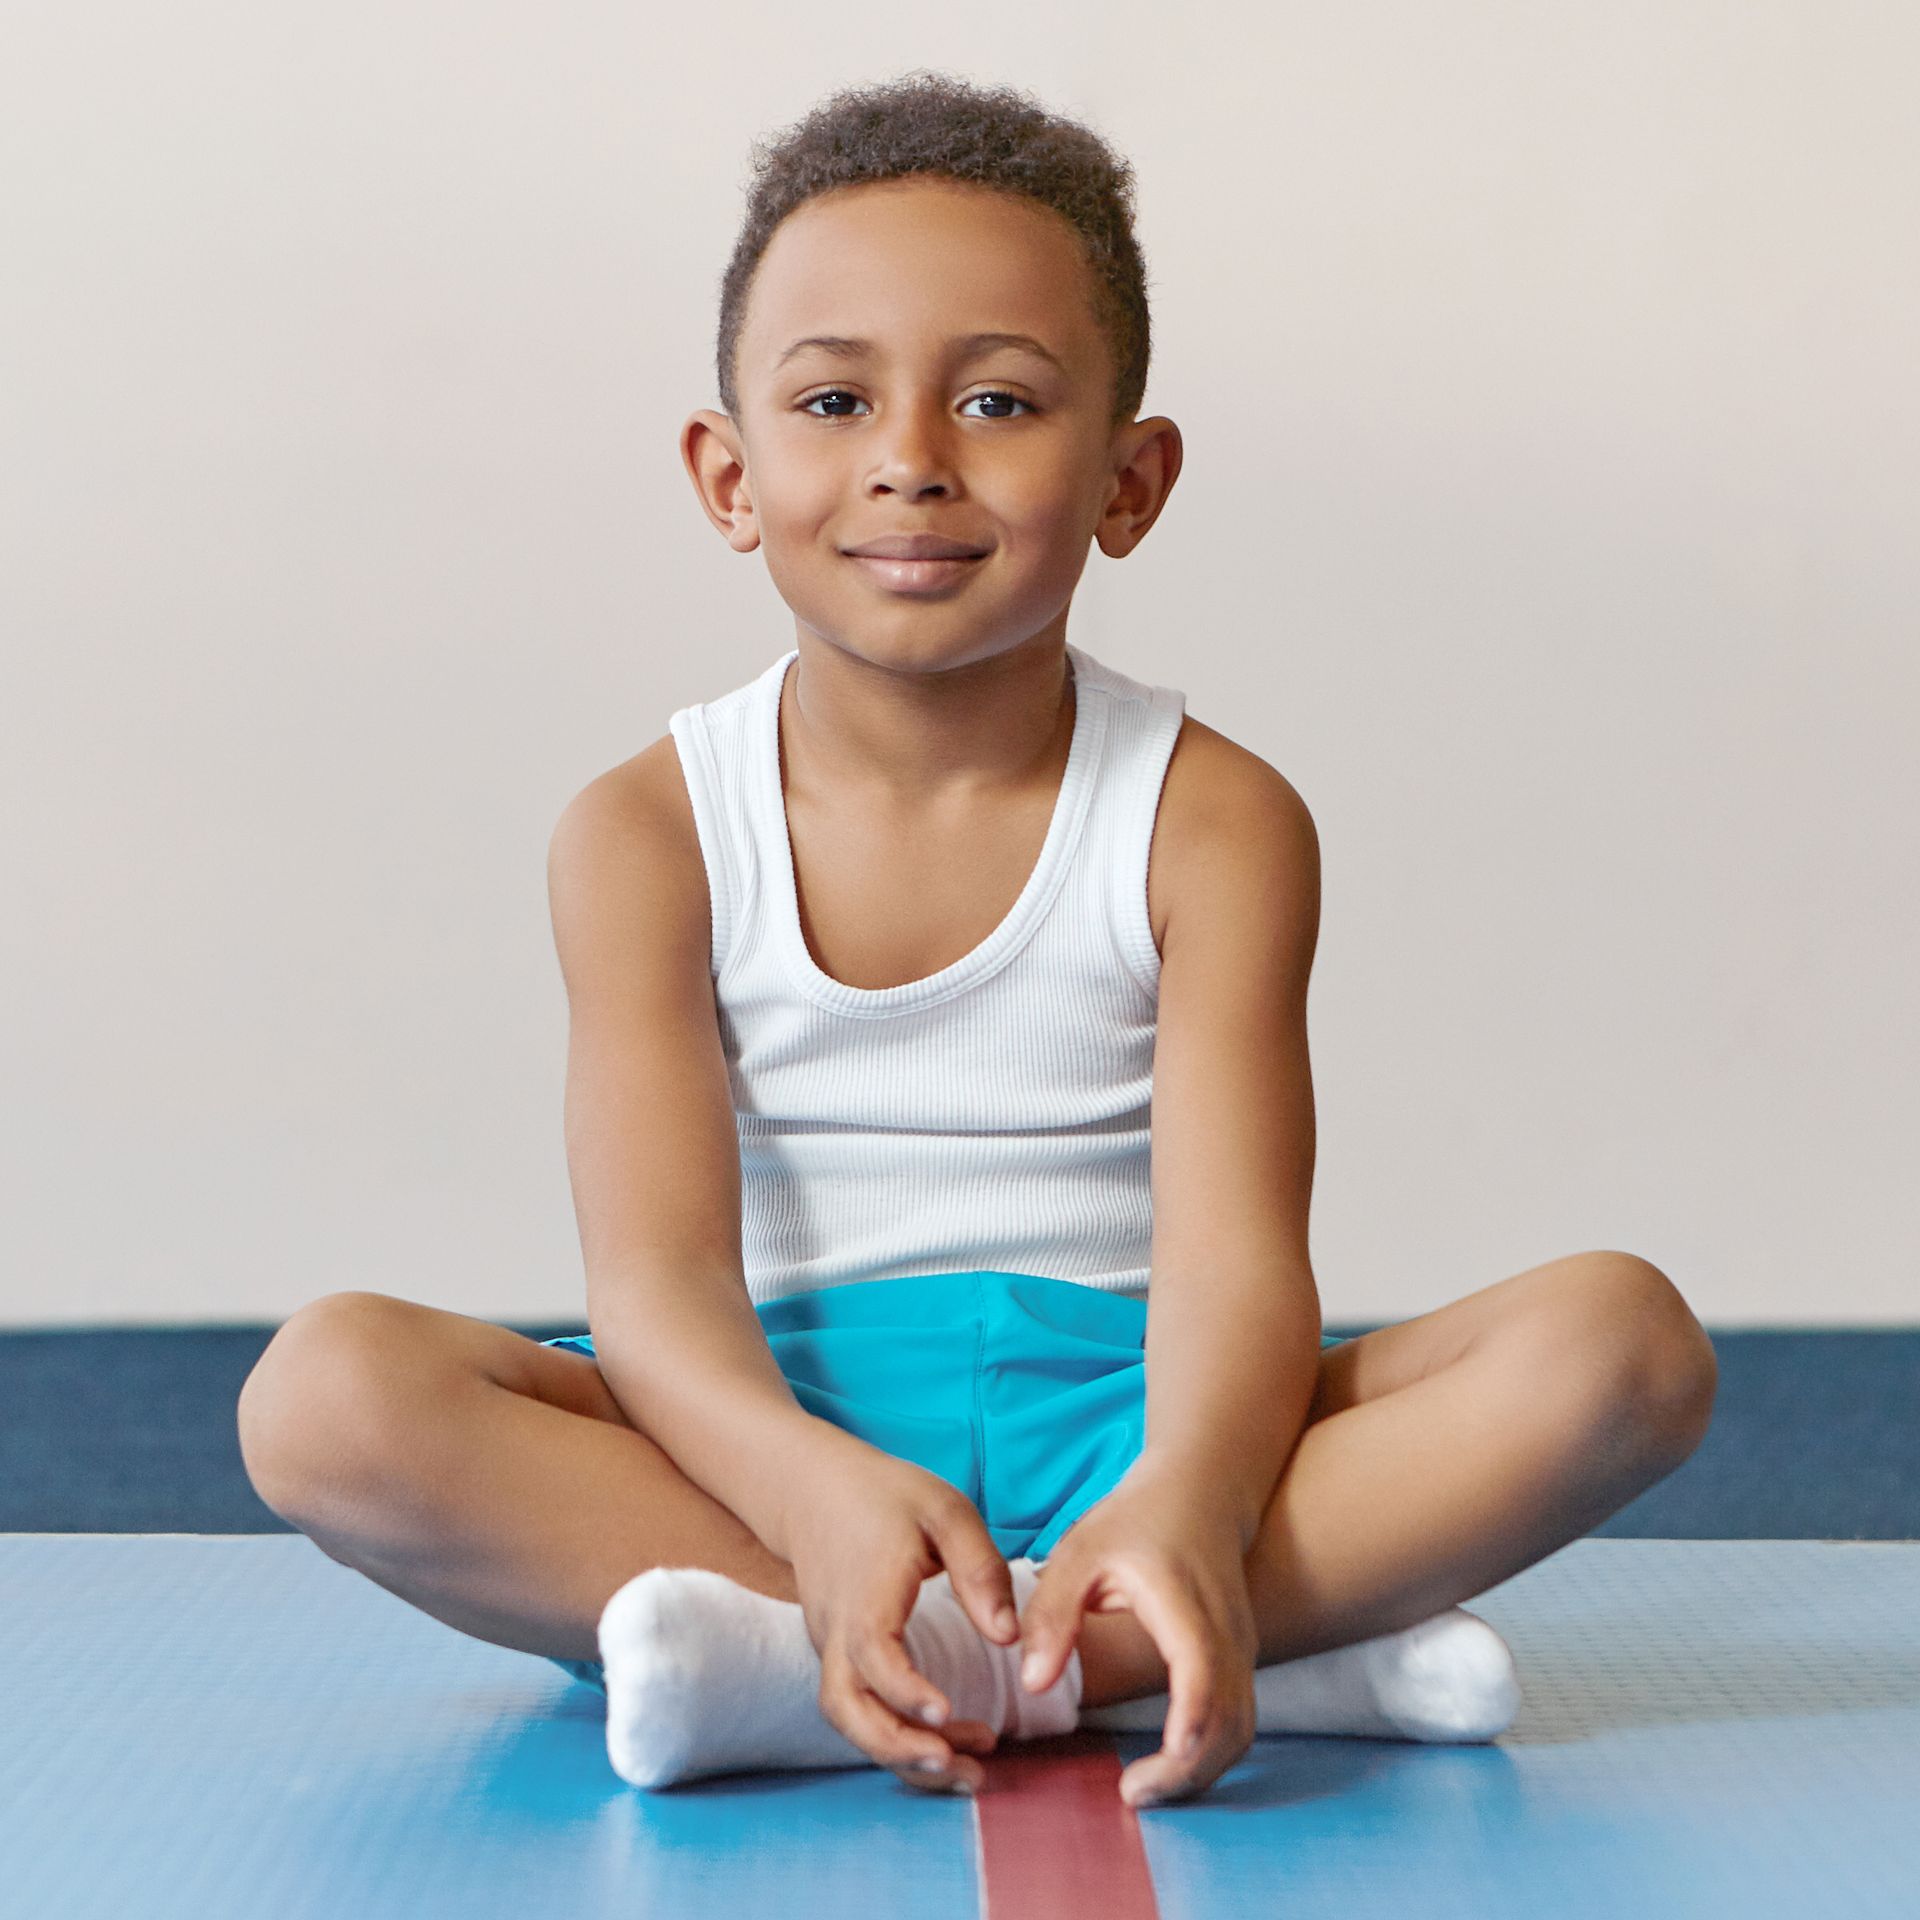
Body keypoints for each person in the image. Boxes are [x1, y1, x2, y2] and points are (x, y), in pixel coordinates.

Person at [234, 70, 1719, 1812]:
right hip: (762, 1446)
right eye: (836, 398)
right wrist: (805, 1487)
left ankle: (880, 1653)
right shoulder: (642, 831)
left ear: (1129, 478)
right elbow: (656, 1295)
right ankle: (1187, 1647)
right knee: (325, 1396)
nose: (912, 461)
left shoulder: (1215, 819)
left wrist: (1185, 1495)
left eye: (1000, 400)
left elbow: (1240, 1263)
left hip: (1131, 1414)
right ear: (729, 473)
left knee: (1622, 1345)